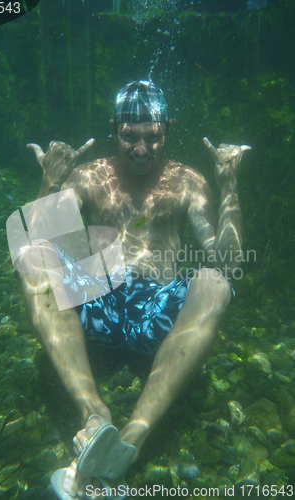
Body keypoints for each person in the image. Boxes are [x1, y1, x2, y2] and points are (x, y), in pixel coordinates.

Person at [16, 81, 250, 499]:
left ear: (167, 130)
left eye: (152, 137)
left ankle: (130, 440)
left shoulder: (188, 181)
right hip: (98, 297)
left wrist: (229, 186)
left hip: (154, 310)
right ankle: (93, 413)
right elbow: (40, 241)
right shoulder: (90, 175)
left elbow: (228, 265)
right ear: (114, 129)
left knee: (214, 284)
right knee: (32, 256)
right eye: (130, 136)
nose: (141, 149)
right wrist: (50, 184)